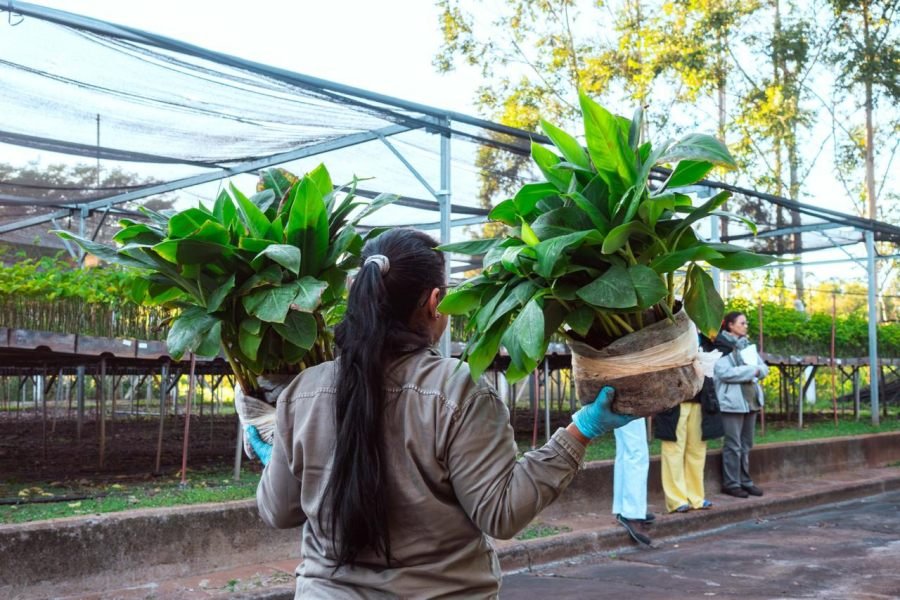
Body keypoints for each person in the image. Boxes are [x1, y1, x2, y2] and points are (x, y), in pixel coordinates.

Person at [242, 228, 635, 598]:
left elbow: (278, 510)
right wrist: (578, 433)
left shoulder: (304, 391)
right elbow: (500, 513)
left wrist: (278, 459)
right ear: (434, 302)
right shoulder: (458, 388)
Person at [653, 335, 725, 513]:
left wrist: (707, 333)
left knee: (697, 451)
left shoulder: (704, 338)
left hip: (701, 403)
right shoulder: (673, 334)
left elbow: (726, 345)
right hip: (675, 404)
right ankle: (676, 500)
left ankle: (696, 498)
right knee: (673, 451)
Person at [713, 311, 769, 498]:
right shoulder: (721, 345)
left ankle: (745, 481)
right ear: (730, 325)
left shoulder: (747, 346)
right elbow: (724, 372)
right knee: (733, 445)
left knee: (746, 444)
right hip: (731, 403)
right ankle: (731, 483)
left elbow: (764, 369)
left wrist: (753, 370)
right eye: (742, 323)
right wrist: (752, 371)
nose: (746, 326)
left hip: (750, 400)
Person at [612, 417, 654, 545]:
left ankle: (624, 508)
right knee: (636, 452)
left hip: (621, 399)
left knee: (626, 449)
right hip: (628, 400)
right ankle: (631, 512)